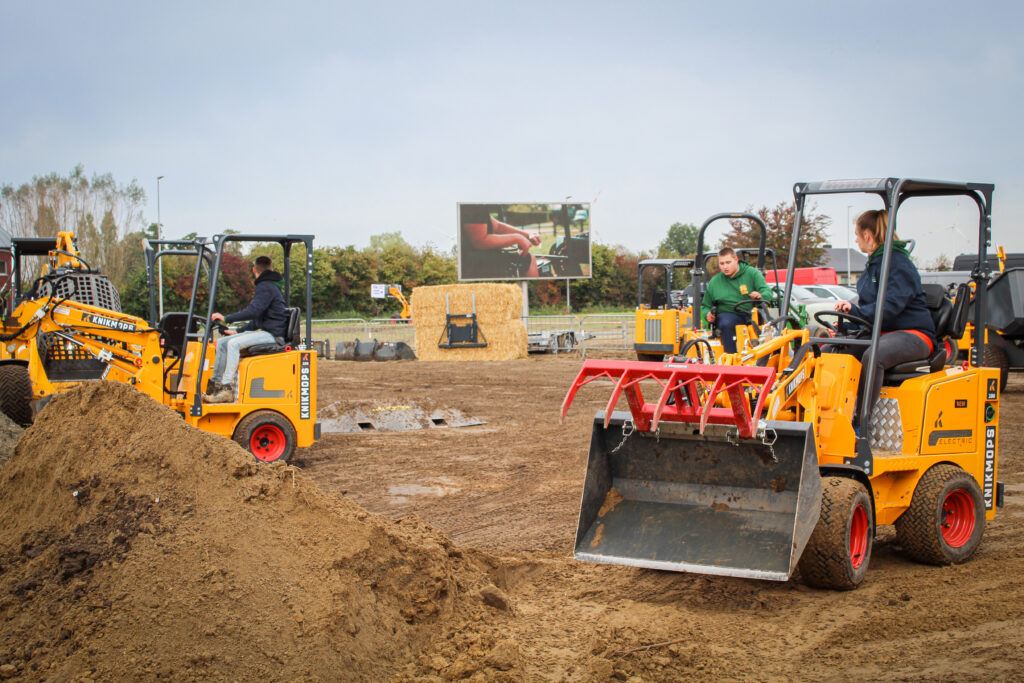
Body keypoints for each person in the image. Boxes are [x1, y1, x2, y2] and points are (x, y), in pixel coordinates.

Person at [833, 209, 936, 432]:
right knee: (833, 351)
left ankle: (860, 424)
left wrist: (857, 312)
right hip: (883, 331)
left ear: (868, 236)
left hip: (914, 334)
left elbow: (889, 307)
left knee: (874, 356)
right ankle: (829, 418)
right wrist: (846, 326)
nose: (856, 240)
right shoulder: (875, 263)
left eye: (857, 235)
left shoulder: (898, 264)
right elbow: (871, 309)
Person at [203, 255, 290, 404]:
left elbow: (253, 312)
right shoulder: (270, 286)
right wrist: (238, 332)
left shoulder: (266, 286)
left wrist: (226, 318)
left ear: (254, 270)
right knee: (223, 343)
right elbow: (258, 320)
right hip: (267, 331)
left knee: (233, 344)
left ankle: (226, 389)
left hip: (273, 335)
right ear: (272, 269)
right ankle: (215, 386)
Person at [700, 247, 774, 354]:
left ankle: (764, 356)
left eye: (728, 262)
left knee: (767, 327)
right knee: (727, 322)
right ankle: (731, 357)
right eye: (722, 263)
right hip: (728, 316)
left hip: (752, 315)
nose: (725, 266)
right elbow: (706, 305)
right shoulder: (715, 282)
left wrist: (760, 295)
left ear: (736, 260)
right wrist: (708, 314)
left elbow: (766, 291)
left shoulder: (752, 274)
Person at [461, 205, 541, 278]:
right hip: (474, 264)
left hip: (480, 260)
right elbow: (479, 241)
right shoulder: (473, 206)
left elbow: (498, 227)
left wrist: (527, 235)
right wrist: (517, 238)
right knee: (529, 259)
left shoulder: (479, 207)